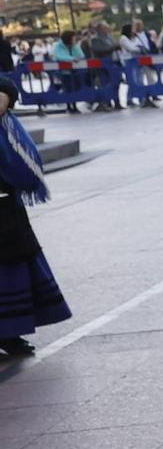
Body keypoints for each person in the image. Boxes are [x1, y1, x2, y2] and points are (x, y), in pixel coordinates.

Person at [0, 78, 69, 356]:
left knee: (11, 264)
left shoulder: (7, 132)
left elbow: (6, 86)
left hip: (4, 208)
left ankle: (9, 333)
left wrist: (5, 92)